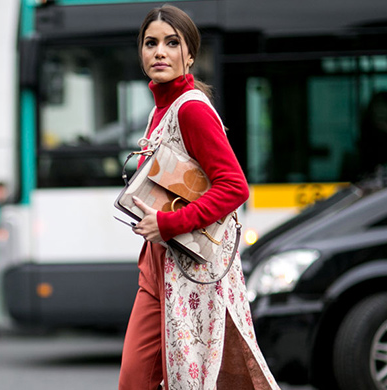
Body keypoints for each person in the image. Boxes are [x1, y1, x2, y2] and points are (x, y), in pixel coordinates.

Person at [118, 5, 279, 390]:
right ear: (140, 53)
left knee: (191, 380)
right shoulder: (161, 110)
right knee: (143, 380)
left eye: (172, 43)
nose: (160, 52)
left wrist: (170, 222)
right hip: (156, 268)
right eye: (151, 43)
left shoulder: (191, 109)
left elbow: (235, 187)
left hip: (190, 269)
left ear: (189, 54)